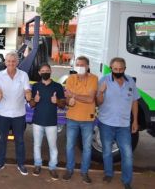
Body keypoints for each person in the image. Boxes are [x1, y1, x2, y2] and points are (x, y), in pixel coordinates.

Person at [96, 57, 139, 189]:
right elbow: (98, 102)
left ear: (124, 69)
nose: (118, 71)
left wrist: (135, 120)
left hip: (124, 125)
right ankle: (109, 173)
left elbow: (134, 101)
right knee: (107, 151)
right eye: (115, 69)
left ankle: (126, 180)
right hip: (106, 123)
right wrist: (101, 92)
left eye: (121, 69)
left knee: (127, 153)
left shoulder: (130, 81)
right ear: (111, 68)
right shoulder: (104, 80)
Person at [0, 52, 32, 176]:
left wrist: (28, 94)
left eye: (13, 61)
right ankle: (0, 163)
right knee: (2, 140)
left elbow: (27, 89)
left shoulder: (23, 75)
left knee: (19, 140)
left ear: (17, 62)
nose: (11, 63)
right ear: (5, 62)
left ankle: (21, 164)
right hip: (3, 114)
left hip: (19, 114)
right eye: (8, 61)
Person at [62, 56, 98, 184]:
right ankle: (69, 170)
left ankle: (84, 172)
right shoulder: (71, 78)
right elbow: (66, 99)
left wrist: (73, 95)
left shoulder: (94, 78)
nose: (80, 67)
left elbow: (90, 99)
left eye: (82, 65)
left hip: (87, 119)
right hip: (72, 118)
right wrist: (69, 100)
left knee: (87, 148)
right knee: (69, 146)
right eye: (77, 64)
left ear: (87, 66)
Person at [28, 63, 66, 180]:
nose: (45, 72)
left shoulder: (58, 86)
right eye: (43, 70)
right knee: (37, 145)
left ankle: (52, 167)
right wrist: (35, 100)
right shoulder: (35, 87)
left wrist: (57, 101)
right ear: (39, 73)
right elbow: (32, 104)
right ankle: (37, 165)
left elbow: (63, 105)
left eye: (47, 70)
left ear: (50, 72)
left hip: (51, 122)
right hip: (37, 121)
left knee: (53, 146)